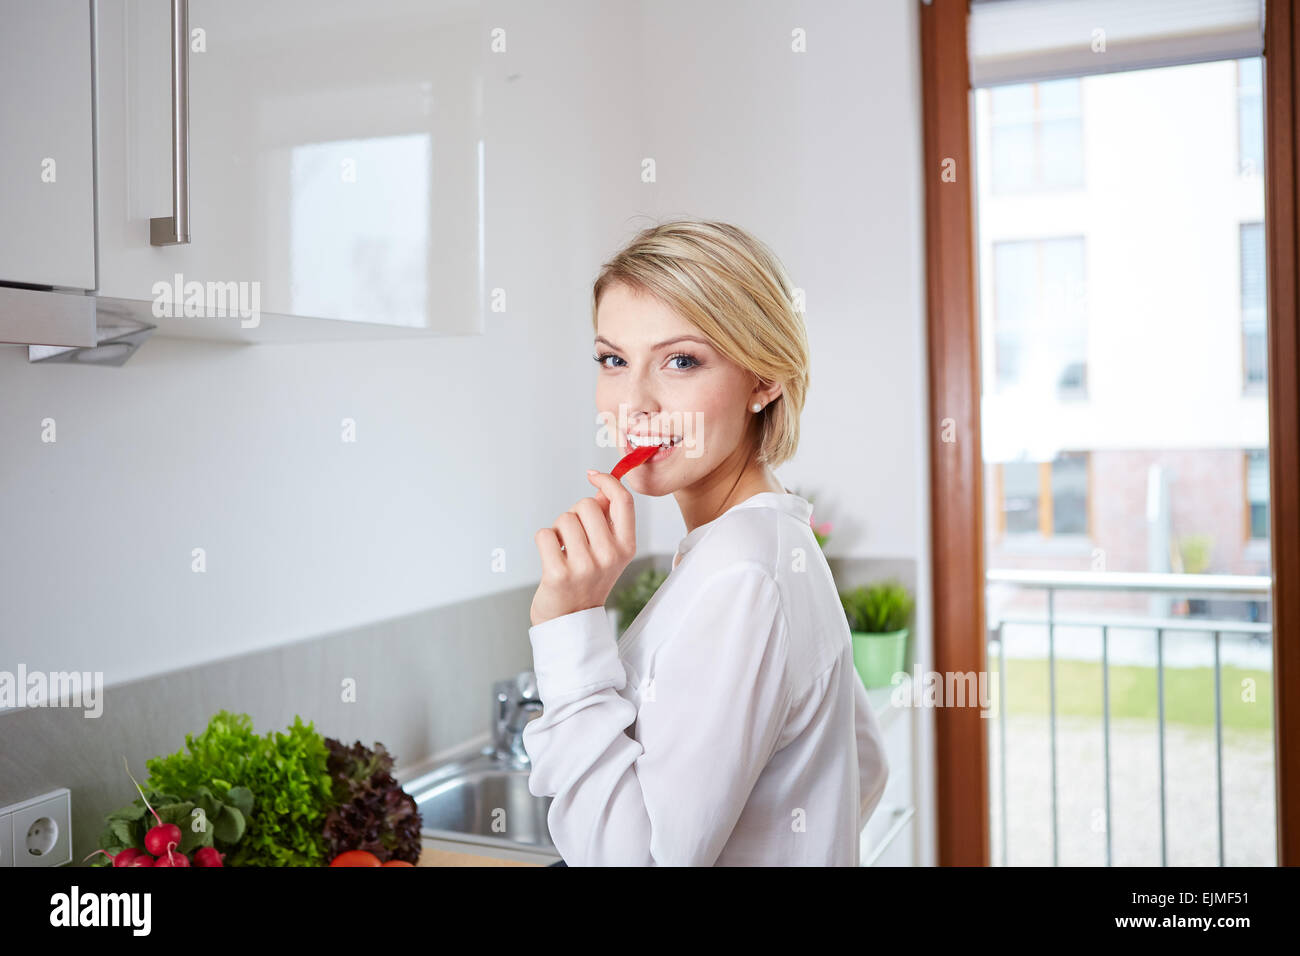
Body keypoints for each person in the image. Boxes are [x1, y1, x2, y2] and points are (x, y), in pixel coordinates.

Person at [524, 219, 889, 866]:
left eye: (681, 361)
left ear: (764, 379)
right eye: (613, 360)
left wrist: (569, 625)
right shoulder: (777, 544)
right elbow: (864, 765)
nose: (633, 404)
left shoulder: (742, 574)